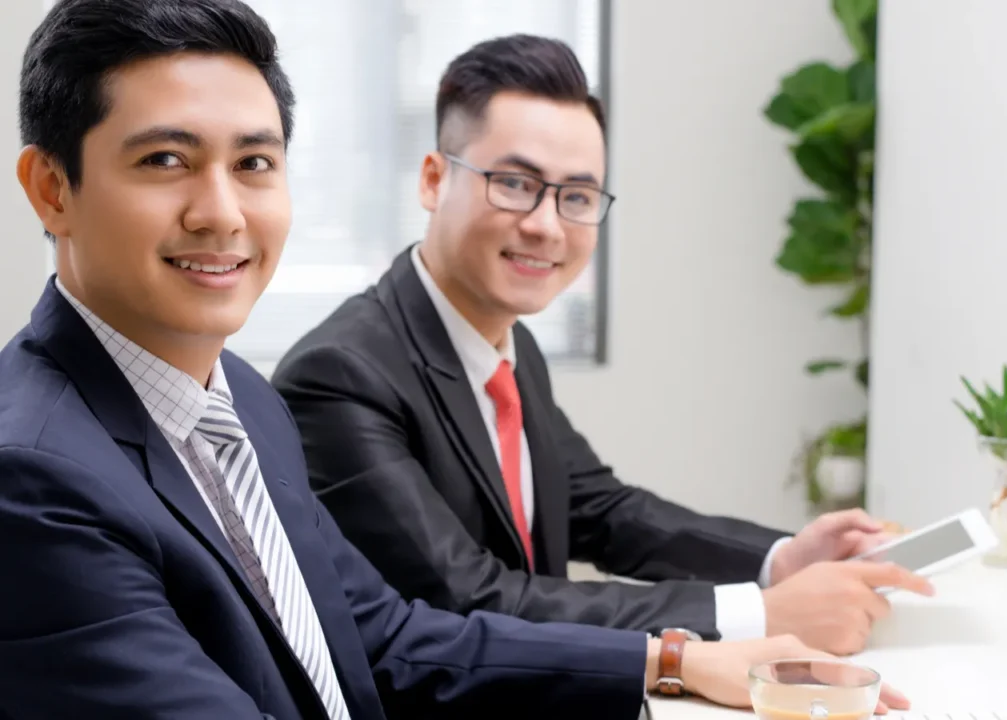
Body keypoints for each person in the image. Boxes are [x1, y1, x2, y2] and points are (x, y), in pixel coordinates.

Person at [0, 1, 914, 717]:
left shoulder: (235, 397)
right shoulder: (35, 477)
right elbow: (467, 596)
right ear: (53, 189)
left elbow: (382, 635)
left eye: (254, 164)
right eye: (165, 160)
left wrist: (682, 654)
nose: (222, 212)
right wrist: (742, 617)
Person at [270, 33, 935, 658]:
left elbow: (602, 510)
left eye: (578, 195)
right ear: (433, 180)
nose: (546, 226)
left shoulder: (507, 346)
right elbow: (471, 596)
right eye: (514, 184)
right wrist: (758, 616)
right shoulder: (340, 376)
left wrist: (780, 559)